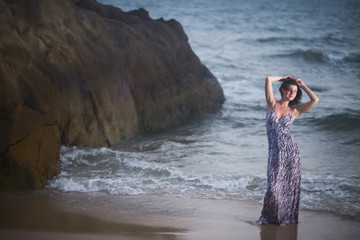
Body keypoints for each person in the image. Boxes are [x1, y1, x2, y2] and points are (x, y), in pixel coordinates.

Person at [253, 75, 319, 226]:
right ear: (282, 90)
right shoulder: (272, 104)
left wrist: (302, 85)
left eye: (294, 91)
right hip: (275, 153)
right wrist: (283, 78)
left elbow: (315, 100)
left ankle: (284, 218)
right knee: (272, 187)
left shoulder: (294, 111)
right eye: (288, 89)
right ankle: (264, 218)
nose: (291, 93)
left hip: (291, 152)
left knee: (287, 187)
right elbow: (268, 79)